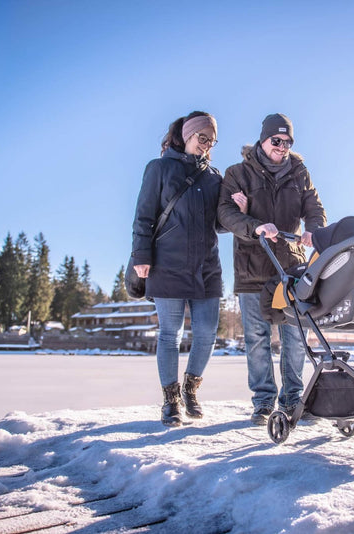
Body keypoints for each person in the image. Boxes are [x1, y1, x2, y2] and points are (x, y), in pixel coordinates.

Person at [218, 113, 327, 425]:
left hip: (289, 269)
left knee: (294, 337)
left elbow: (314, 208)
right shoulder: (237, 173)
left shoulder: (299, 172)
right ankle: (263, 401)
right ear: (263, 140)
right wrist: (255, 226)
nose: (282, 146)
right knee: (256, 338)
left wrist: (314, 230)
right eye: (276, 141)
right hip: (252, 267)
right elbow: (225, 214)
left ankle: (294, 399)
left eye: (287, 142)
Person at [131, 111, 223, 427]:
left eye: (212, 141)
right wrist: (141, 256)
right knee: (170, 334)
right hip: (167, 264)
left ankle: (190, 388)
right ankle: (171, 401)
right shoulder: (159, 169)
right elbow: (143, 216)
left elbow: (221, 223)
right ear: (187, 135)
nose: (207, 145)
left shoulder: (214, 177)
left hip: (207, 266)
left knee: (208, 333)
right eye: (203, 138)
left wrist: (240, 205)